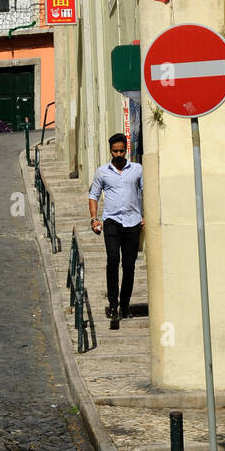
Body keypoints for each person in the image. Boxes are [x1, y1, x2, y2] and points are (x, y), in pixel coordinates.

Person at [88, 133, 144, 329]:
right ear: (110, 151)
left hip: (133, 222)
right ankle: (113, 304)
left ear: (125, 150)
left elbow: (147, 192)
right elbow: (93, 195)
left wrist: (146, 216)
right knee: (113, 259)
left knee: (129, 266)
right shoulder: (102, 172)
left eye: (121, 150)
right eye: (115, 151)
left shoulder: (137, 170)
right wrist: (95, 219)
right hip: (111, 221)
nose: (119, 154)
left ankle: (125, 305)